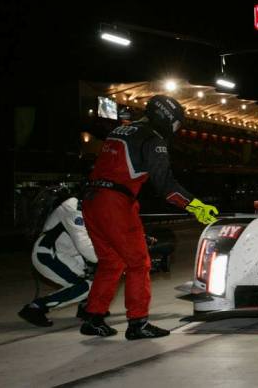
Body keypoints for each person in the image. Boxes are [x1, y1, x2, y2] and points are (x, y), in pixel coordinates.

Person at [81, 95, 219, 340]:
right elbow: (166, 185)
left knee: (111, 262)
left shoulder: (120, 130)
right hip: (116, 203)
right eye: (176, 124)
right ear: (168, 119)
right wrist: (196, 206)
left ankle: (93, 317)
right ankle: (138, 323)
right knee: (139, 263)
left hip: (92, 200)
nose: (175, 130)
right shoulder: (154, 140)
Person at [18, 192, 98, 327]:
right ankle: (36, 308)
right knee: (85, 287)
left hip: (64, 255)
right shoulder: (74, 208)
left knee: (95, 280)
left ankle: (86, 307)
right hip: (48, 255)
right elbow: (84, 245)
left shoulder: (88, 209)